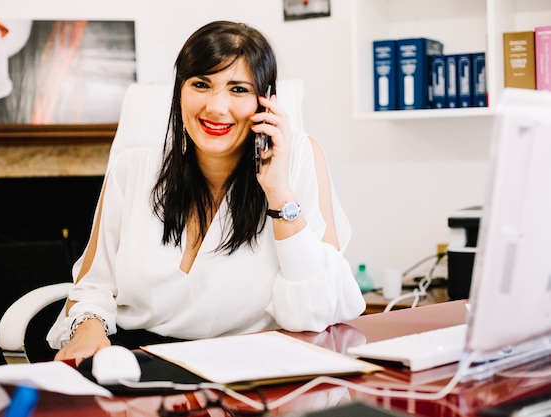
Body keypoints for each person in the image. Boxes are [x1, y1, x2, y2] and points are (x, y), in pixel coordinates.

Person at [48, 20, 365, 364]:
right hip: (136, 363)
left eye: (239, 89)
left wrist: (278, 192)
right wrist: (89, 327)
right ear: (180, 92)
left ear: (267, 101)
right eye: (201, 84)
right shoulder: (132, 169)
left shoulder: (299, 158)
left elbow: (316, 313)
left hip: (247, 369)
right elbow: (92, 285)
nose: (216, 106)